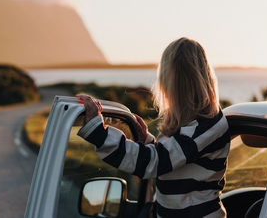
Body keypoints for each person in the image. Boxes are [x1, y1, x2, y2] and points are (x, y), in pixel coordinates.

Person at [77, 37, 230, 218]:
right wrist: (150, 141)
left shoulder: (207, 126)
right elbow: (176, 160)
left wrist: (98, 133)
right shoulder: (191, 123)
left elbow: (155, 162)